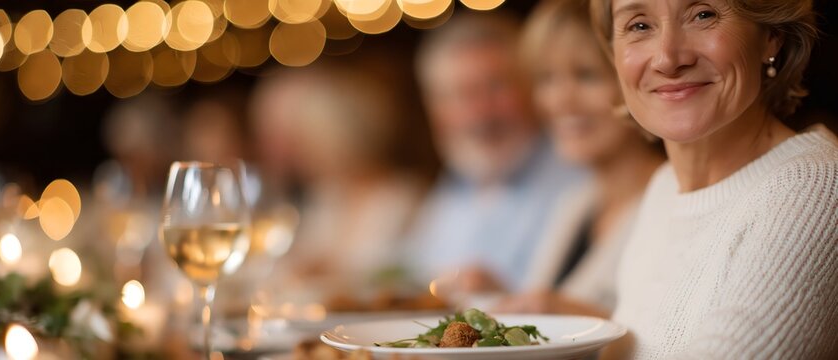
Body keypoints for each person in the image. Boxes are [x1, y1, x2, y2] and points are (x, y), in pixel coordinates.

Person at [588, 0, 838, 357]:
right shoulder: (663, 187)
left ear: (772, 35)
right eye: (639, 26)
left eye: (704, 14)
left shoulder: (816, 187)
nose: (668, 58)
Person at [497, 0, 665, 317]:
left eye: (586, 75)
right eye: (545, 78)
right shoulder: (574, 203)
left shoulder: (672, 200)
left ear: (635, 80)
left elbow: (671, 337)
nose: (561, 100)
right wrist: (497, 299)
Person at [405, 11, 586, 293]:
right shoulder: (452, 188)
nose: (479, 113)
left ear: (531, 89)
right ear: (434, 110)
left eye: (496, 87)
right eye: (460, 95)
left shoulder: (578, 182)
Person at [250, 62, 427, 287]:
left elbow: (411, 274)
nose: (301, 155)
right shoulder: (327, 196)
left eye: (308, 143)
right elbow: (298, 263)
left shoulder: (404, 198)